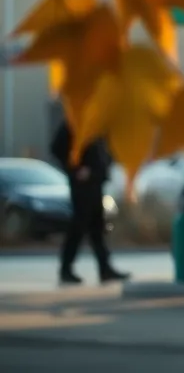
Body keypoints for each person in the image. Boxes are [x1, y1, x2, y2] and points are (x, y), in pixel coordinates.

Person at [50, 120, 130, 285]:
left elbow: (103, 151)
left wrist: (105, 166)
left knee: (97, 228)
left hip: (96, 182)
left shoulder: (96, 122)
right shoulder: (74, 122)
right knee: (79, 226)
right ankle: (66, 269)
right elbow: (56, 148)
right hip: (82, 186)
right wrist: (75, 169)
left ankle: (105, 268)